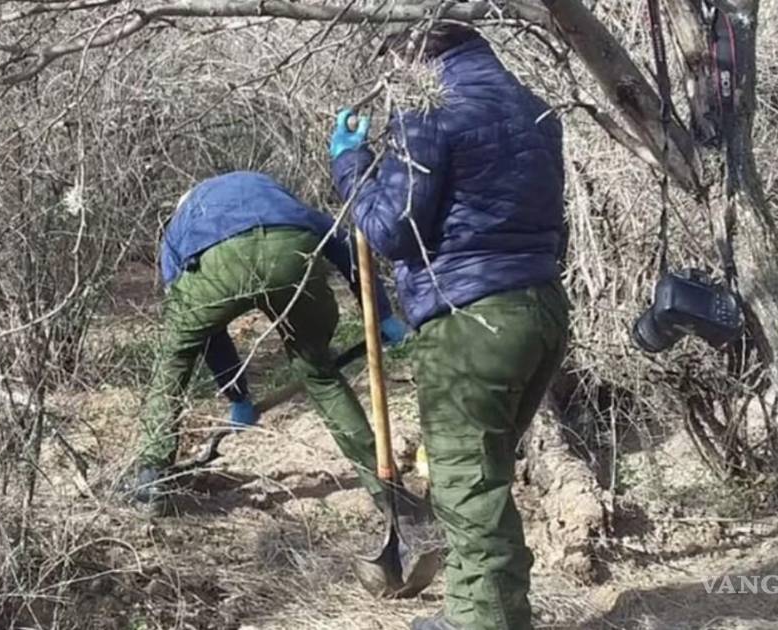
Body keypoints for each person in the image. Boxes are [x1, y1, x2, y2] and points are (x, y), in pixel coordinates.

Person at [330, 21, 570, 630]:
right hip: (540, 307)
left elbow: (391, 230)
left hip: (471, 321)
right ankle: (473, 609)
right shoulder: (536, 109)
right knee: (478, 475)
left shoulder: (430, 111)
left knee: (468, 485)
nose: (393, 78)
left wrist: (352, 164)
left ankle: (483, 622)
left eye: (394, 62)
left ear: (413, 53)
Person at [131, 171, 408, 504]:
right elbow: (344, 243)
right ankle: (388, 493)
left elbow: (206, 335)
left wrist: (237, 396)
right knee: (321, 376)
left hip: (214, 269)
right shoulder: (274, 196)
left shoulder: (179, 232)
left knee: (174, 359)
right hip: (290, 250)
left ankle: (151, 480)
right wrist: (381, 313)